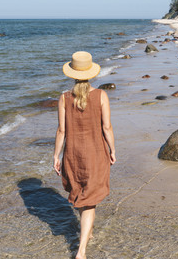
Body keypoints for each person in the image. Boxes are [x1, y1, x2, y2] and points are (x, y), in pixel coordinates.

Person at [53, 51, 116, 259]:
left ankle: (86, 234)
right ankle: (81, 251)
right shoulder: (101, 96)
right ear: (91, 73)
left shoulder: (64, 98)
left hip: (72, 155)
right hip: (96, 154)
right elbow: (106, 127)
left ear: (72, 74)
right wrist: (113, 149)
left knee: (82, 195)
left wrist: (56, 156)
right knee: (89, 201)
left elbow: (61, 130)